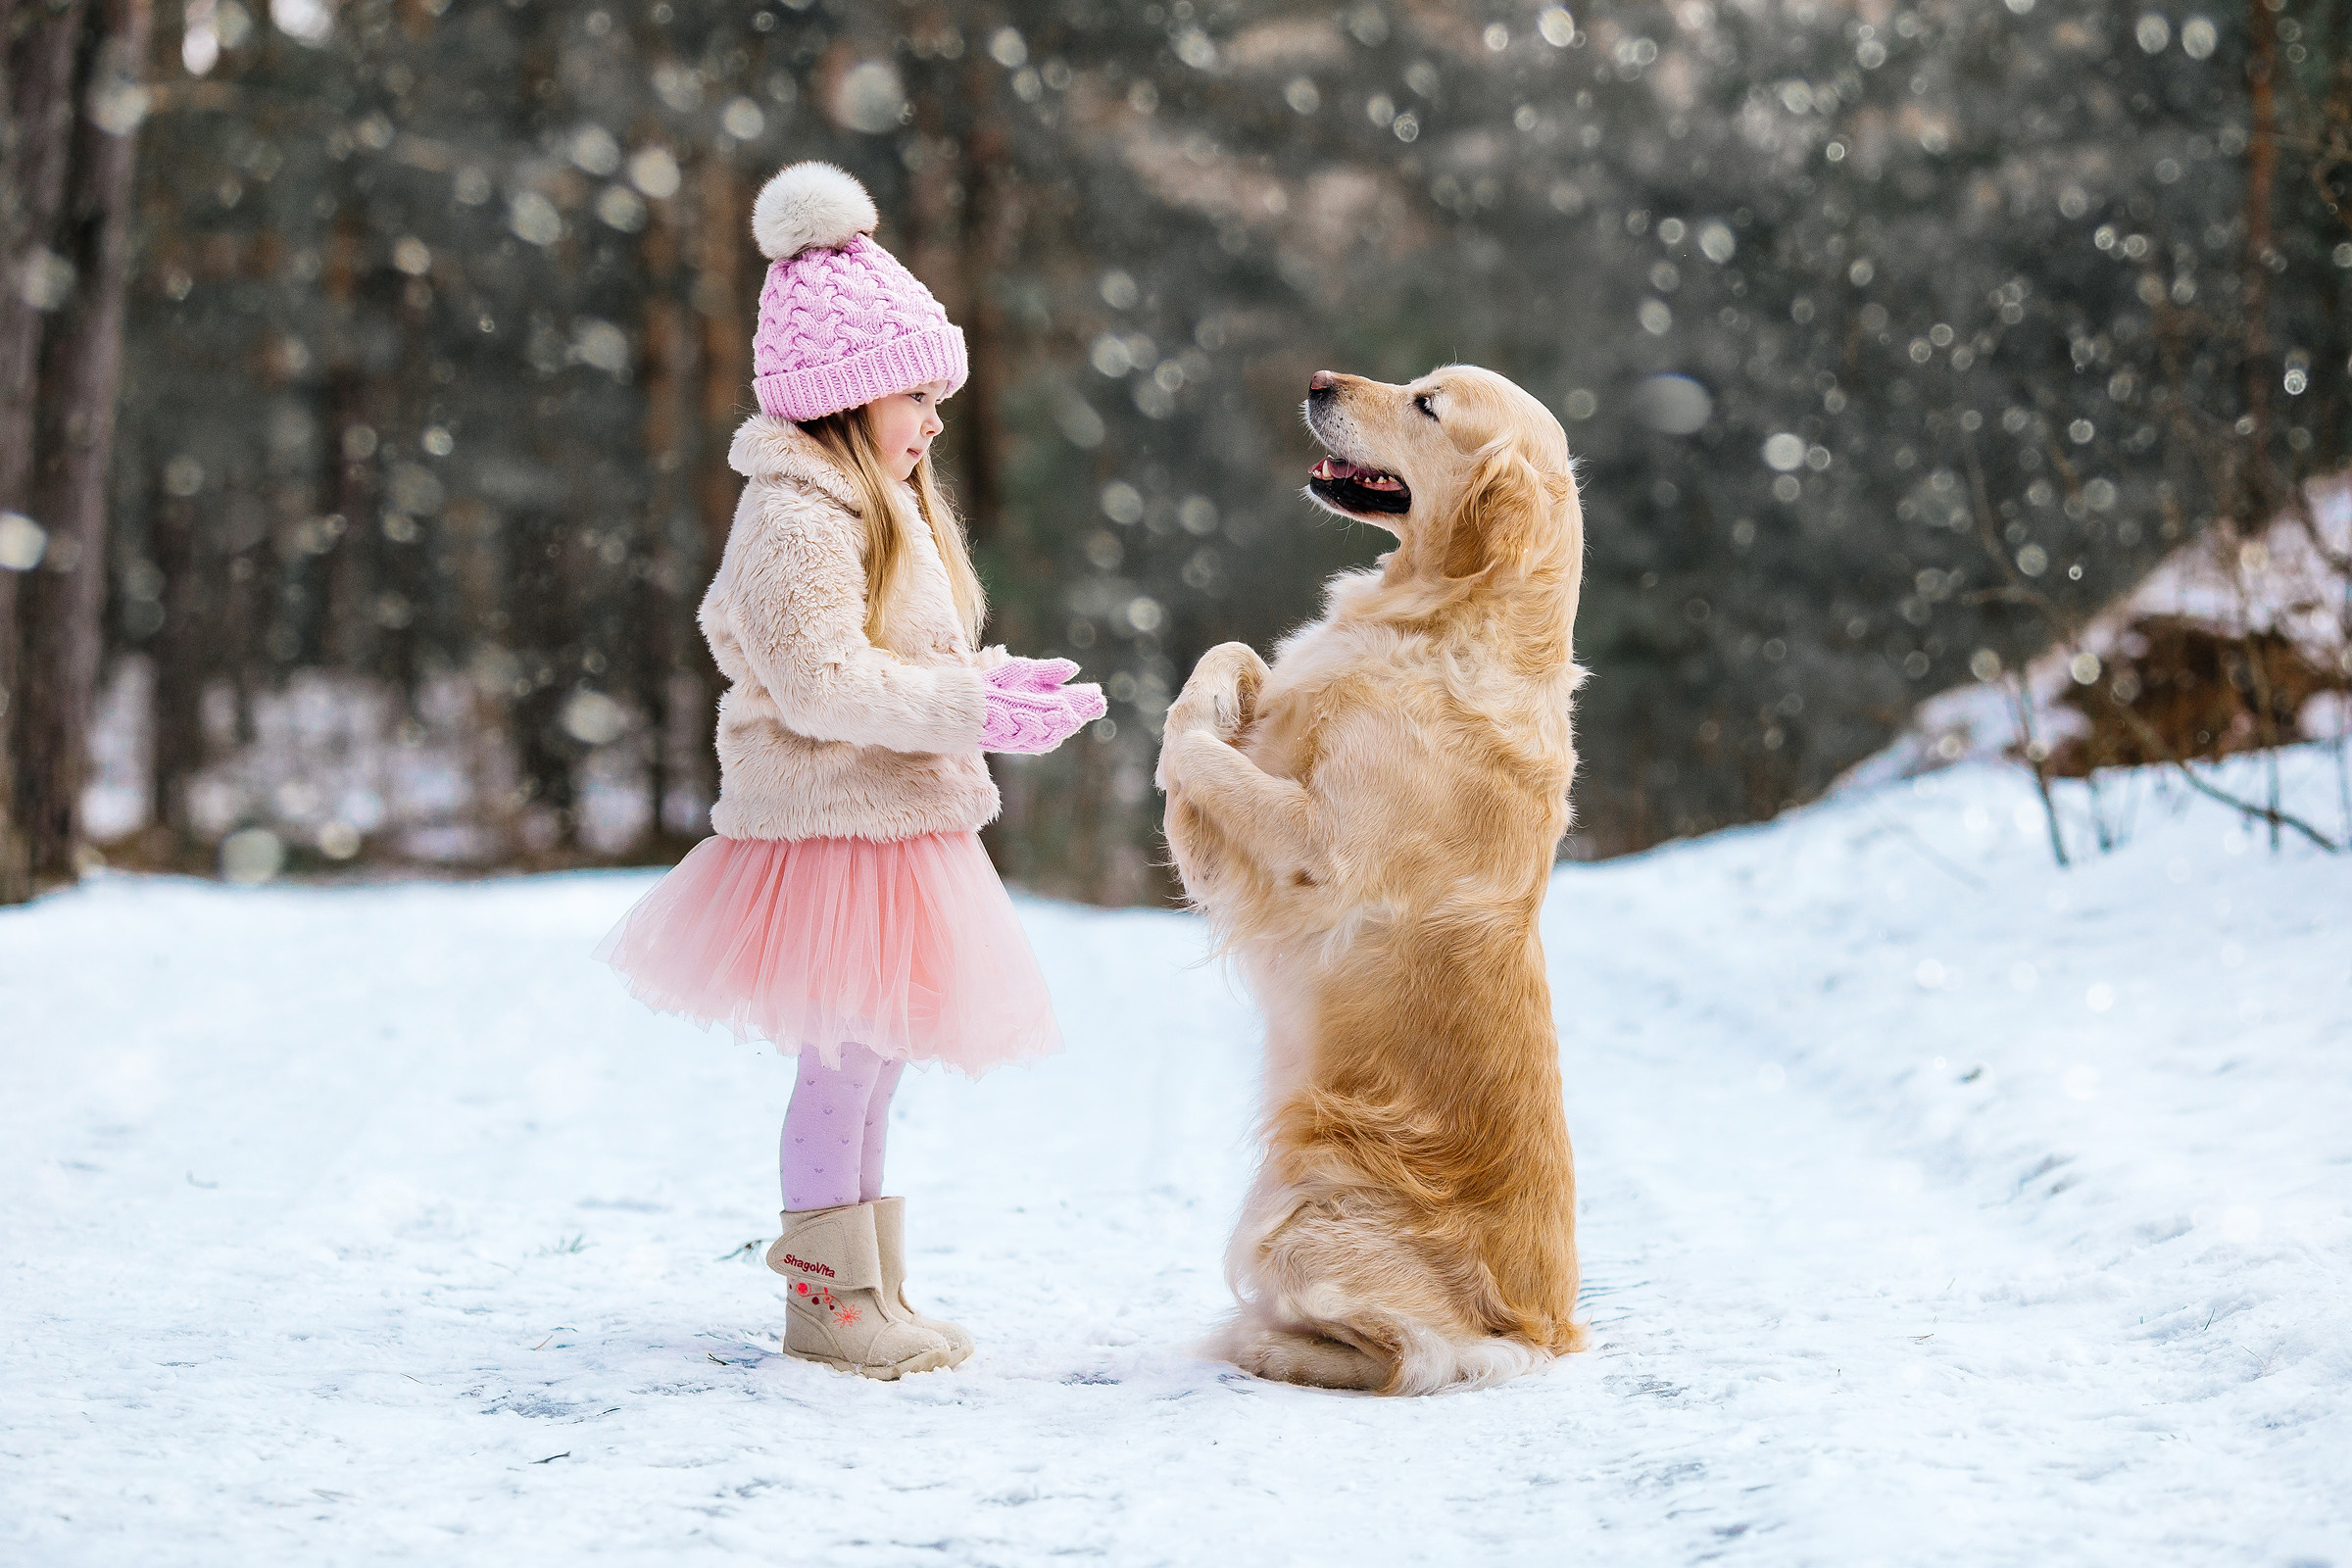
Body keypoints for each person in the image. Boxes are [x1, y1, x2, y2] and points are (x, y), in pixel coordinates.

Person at [597, 162, 1103, 1380]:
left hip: (893, 822)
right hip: (834, 830)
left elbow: (898, 658)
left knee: (874, 1064)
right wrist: (963, 706)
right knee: (844, 1063)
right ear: (850, 394)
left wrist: (990, 685)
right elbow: (824, 683)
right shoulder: (794, 517)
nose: (932, 421)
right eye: (916, 396)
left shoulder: (877, 504)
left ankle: (869, 1282)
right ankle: (826, 1296)